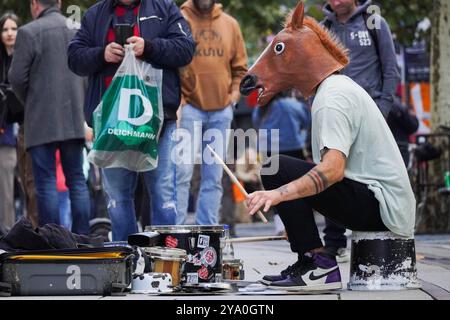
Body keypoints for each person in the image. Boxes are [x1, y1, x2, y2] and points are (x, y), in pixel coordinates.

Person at [239, 1, 415, 291]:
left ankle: (318, 266)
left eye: (280, 51)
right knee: (281, 168)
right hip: (380, 203)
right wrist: (293, 210)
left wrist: (278, 196)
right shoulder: (332, 90)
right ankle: (314, 259)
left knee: (278, 168)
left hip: (383, 208)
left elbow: (332, 170)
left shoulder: (331, 99)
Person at [68, 0, 195, 241]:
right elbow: (74, 57)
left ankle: (165, 262)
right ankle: (126, 261)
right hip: (111, 125)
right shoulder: (96, 13)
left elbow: (186, 48)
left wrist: (149, 48)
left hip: (157, 123)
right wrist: (101, 53)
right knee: (117, 199)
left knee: (163, 196)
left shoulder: (164, 8)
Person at [320, 0, 400, 261]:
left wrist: (384, 108)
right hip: (337, 114)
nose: (336, 1)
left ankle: (384, 235)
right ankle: (333, 243)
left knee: (374, 176)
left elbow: (390, 68)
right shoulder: (323, 29)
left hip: (372, 112)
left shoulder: (374, 22)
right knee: (333, 175)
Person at [9, 0, 90, 234]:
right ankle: (81, 237)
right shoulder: (77, 29)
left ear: (35, 4)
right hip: (74, 117)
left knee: (45, 183)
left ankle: (53, 239)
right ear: (59, 3)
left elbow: (16, 78)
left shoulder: (28, 32)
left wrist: (32, 101)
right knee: (77, 180)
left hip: (41, 119)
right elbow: (85, 70)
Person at [176, 0, 248, 225]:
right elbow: (171, 63)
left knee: (214, 178)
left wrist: (234, 96)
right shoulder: (180, 19)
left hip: (221, 112)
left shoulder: (231, 24)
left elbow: (240, 68)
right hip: (189, 109)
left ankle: (206, 232)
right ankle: (174, 232)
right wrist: (181, 102)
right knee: (181, 174)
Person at [252, 91, 311, 234]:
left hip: (268, 149)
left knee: (273, 188)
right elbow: (307, 122)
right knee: (297, 187)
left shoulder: (263, 107)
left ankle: (280, 225)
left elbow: (256, 122)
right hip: (293, 148)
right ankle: (301, 223)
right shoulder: (294, 105)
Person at [0, 12, 19, 231]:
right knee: (5, 188)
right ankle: (6, 231)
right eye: (5, 29)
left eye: (13, 29)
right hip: (5, 134)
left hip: (26, 130)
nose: (9, 33)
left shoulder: (24, 57)